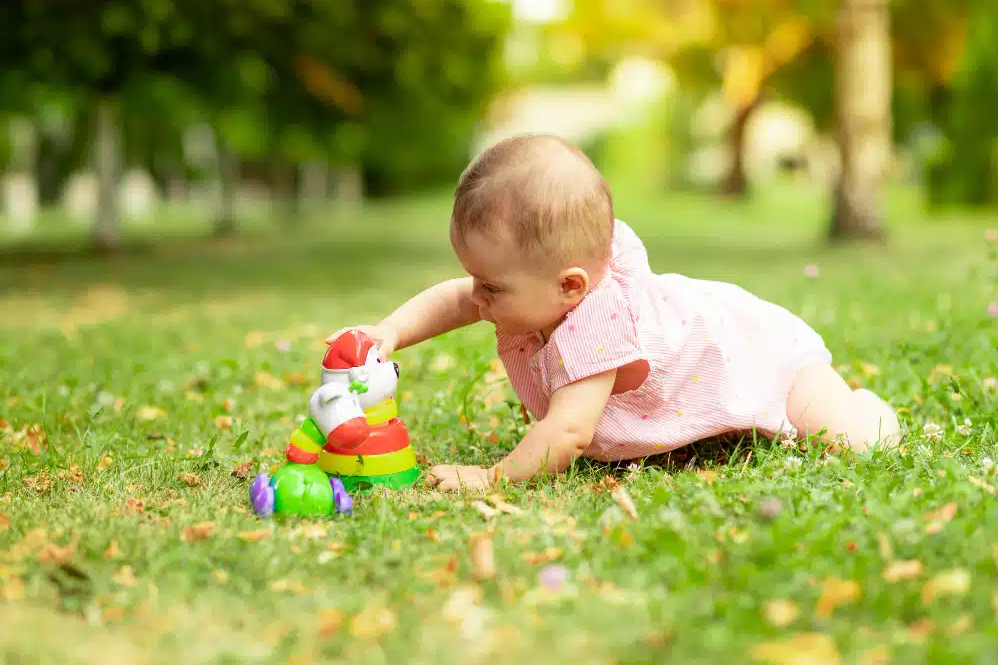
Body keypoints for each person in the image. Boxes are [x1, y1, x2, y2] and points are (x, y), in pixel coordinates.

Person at [326, 134, 901, 491]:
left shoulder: (597, 324)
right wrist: (391, 330)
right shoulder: (546, 283)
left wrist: (493, 477)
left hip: (764, 357)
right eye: (477, 280)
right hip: (721, 346)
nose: (477, 298)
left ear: (570, 286)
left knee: (849, 440)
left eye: (491, 288)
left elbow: (570, 431)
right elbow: (454, 298)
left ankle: (868, 411)